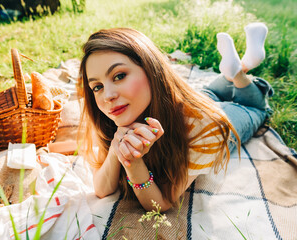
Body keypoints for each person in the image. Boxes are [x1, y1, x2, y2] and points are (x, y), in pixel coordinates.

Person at [77, 23, 273, 212]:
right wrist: (116, 148)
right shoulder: (114, 118)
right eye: (97, 87)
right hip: (192, 101)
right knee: (208, 92)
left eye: (119, 76)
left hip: (209, 115)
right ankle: (237, 68)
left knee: (256, 108)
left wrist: (132, 161)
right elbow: (102, 189)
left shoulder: (206, 126)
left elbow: (161, 204)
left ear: (151, 69)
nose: (107, 96)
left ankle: (237, 73)